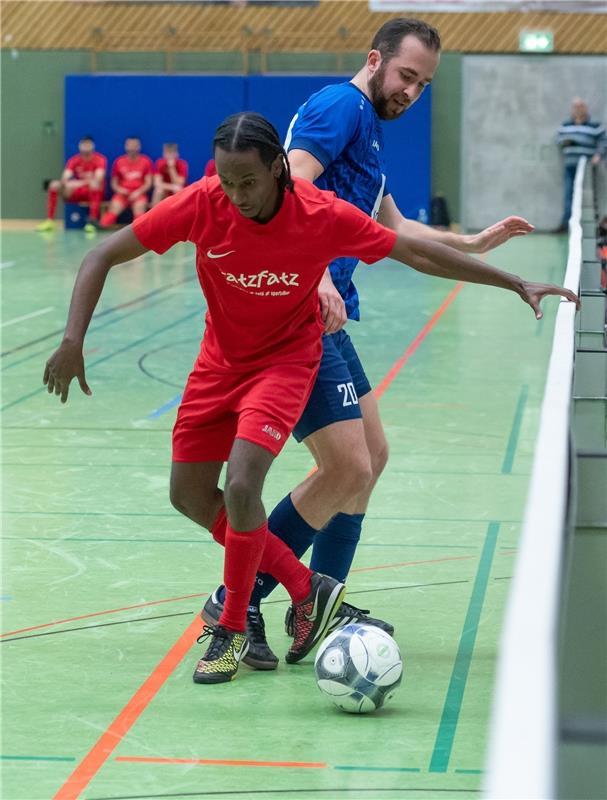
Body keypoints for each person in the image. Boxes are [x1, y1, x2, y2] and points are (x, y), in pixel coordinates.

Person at [43, 112, 577, 685]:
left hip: (285, 362)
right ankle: (307, 587)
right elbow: (103, 254)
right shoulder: (203, 203)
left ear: (278, 167)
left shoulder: (320, 215)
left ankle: (231, 630)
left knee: (245, 484)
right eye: (226, 181)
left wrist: (512, 280)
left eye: (248, 181)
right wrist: (74, 339)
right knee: (190, 495)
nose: (237, 195)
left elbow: (414, 253)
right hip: (217, 364)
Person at [200, 17, 538, 667]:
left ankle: (322, 603)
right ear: (374, 60)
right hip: (294, 316)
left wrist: (469, 243)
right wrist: (317, 270)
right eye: (406, 75)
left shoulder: (369, 133)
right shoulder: (341, 108)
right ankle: (235, 603)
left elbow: (394, 226)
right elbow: (287, 183)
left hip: (330, 317)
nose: (412, 90)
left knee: (369, 457)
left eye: (424, 83)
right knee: (346, 466)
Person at [37, 135, 106, 234]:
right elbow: (65, 178)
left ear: (93, 146)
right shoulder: (74, 160)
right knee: (54, 186)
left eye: (88, 144)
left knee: (95, 185)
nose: (86, 147)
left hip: (92, 192)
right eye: (84, 144)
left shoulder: (100, 159)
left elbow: (98, 179)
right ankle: (50, 221)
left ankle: (92, 222)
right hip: (75, 192)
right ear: (79, 146)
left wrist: (77, 183)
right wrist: (67, 184)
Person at [556, 98, 605, 232]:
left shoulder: (594, 126)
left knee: (588, 197)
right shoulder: (566, 125)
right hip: (570, 166)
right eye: (575, 107)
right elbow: (559, 139)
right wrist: (569, 141)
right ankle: (566, 223)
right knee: (569, 194)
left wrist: (598, 155)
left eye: (581, 106)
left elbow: (603, 141)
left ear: (585, 108)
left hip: (587, 167)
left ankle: (591, 226)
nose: (578, 109)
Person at [100, 137, 153, 228]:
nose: (132, 148)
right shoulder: (119, 161)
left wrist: (138, 192)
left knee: (139, 210)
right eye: (130, 145)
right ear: (126, 146)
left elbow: (148, 183)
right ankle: (102, 227)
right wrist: (120, 190)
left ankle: (137, 233)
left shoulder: (146, 161)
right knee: (114, 208)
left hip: (139, 194)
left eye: (135, 145)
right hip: (122, 194)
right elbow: (114, 183)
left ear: (139, 147)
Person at [151, 143, 189, 207]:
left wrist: (172, 167)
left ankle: (179, 215)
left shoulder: (182, 164)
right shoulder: (160, 163)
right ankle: (153, 215)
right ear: (164, 154)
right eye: (168, 153)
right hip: (166, 191)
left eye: (172, 153)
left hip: (179, 192)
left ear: (177, 154)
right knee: (158, 190)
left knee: (178, 190)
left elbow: (180, 183)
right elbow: (157, 183)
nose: (170, 156)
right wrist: (172, 187)